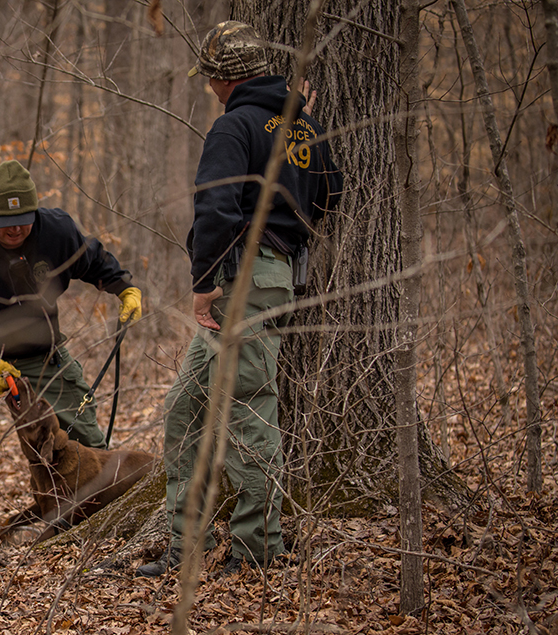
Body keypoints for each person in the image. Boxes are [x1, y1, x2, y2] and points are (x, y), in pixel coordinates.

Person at [136, 21, 342, 578]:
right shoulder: (302, 127)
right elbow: (332, 192)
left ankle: (259, 548)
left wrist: (204, 284)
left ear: (221, 79)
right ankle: (185, 546)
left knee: (249, 411)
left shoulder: (234, 127)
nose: (208, 87)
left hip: (240, 282)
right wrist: (303, 121)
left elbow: (216, 209)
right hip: (266, 278)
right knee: (187, 410)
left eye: (208, 77)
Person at [0, 159, 142, 559]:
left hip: (41, 352)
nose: (16, 229)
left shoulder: (56, 231)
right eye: (5, 221)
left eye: (23, 218)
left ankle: (93, 529)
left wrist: (124, 287)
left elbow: (92, 260)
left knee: (89, 440)